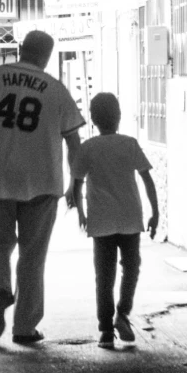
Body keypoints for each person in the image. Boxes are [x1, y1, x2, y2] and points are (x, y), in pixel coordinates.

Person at [0, 30, 85, 345]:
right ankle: (24, 328)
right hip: (42, 184)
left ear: (21, 49)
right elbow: (74, 141)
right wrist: (76, 184)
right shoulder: (56, 90)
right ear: (48, 57)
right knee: (32, 257)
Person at [67, 93, 160, 349]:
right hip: (130, 219)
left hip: (101, 221)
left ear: (93, 120)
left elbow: (77, 184)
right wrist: (155, 212)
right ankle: (123, 313)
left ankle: (106, 332)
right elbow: (147, 180)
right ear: (119, 117)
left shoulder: (88, 147)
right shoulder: (129, 144)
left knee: (104, 276)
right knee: (131, 268)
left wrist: (82, 213)